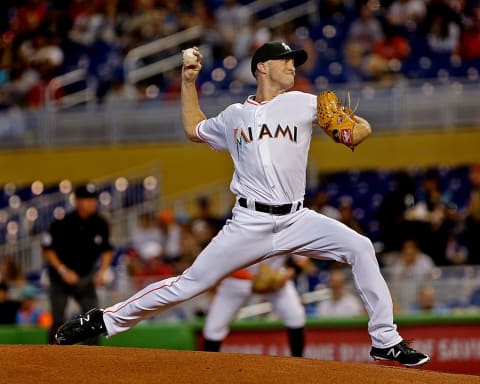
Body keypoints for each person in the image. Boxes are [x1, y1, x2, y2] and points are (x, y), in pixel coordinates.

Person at [54, 41, 430, 367]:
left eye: (294, 60)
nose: (292, 65)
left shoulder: (303, 102)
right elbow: (193, 128)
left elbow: (352, 129)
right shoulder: (234, 116)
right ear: (262, 67)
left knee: (360, 247)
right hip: (248, 222)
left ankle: (385, 341)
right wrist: (188, 82)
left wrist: (356, 130)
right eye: (285, 60)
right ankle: (102, 320)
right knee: (189, 284)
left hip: (297, 218)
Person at [42, 184, 114, 344]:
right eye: (88, 199)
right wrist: (63, 270)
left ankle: (92, 356)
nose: (92, 203)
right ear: (78, 201)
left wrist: (102, 271)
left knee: (93, 318)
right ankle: (51, 353)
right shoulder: (62, 223)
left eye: (94, 199)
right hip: (60, 278)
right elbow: (48, 249)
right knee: (58, 318)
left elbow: (107, 249)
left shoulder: (100, 223)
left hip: (85, 277)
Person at [203, 256, 310, 357]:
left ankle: (299, 363)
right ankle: (208, 368)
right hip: (237, 282)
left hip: (275, 279)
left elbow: (302, 259)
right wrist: (252, 278)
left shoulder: (284, 235)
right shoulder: (234, 235)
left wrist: (287, 276)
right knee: (213, 328)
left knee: (296, 315)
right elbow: (223, 263)